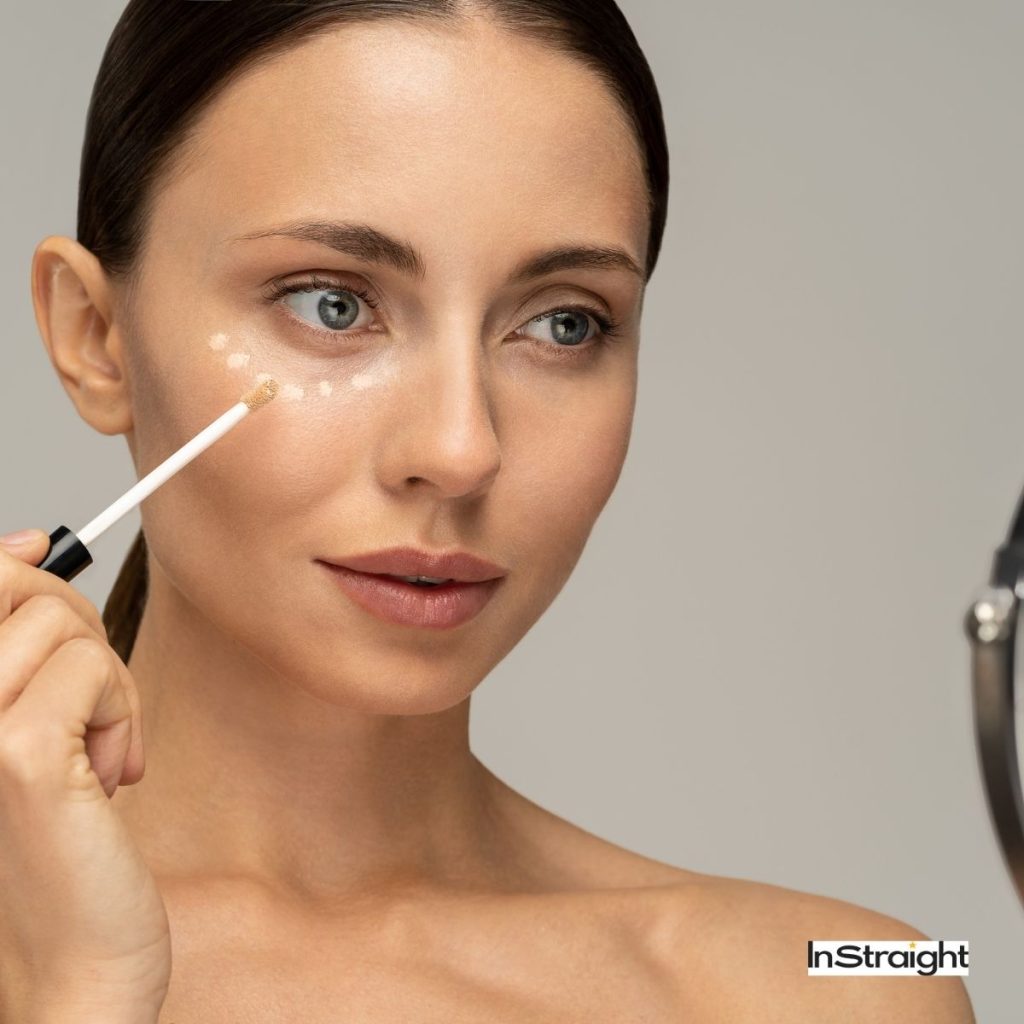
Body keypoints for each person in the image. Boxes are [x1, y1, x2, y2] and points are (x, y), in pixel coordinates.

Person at [0, 1, 975, 1020]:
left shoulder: (854, 977)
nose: (461, 450)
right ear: (94, 332)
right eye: (331, 303)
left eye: (562, 322)